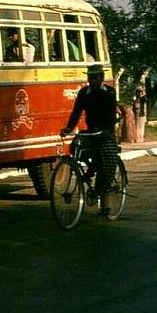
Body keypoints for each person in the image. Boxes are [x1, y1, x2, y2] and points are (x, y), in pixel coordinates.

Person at [60, 63, 120, 216]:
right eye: (89, 77)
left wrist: (107, 130)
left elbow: (111, 116)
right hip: (91, 132)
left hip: (106, 133)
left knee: (107, 163)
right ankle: (89, 172)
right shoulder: (84, 93)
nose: (92, 80)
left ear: (101, 77)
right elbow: (76, 113)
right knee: (76, 147)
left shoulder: (109, 93)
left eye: (95, 77)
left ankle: (104, 198)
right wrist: (68, 129)